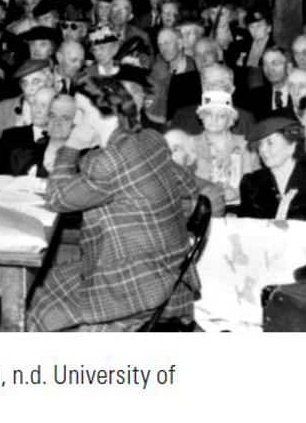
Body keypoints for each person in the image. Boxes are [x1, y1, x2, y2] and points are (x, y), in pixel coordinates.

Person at [28, 78, 201, 331]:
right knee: (47, 281)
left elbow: (56, 199)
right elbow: (188, 186)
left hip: (135, 286)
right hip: (171, 276)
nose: (76, 121)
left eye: (82, 112)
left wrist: (72, 146)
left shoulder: (108, 160)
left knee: (40, 312)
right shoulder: (150, 139)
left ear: (104, 114)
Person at [236, 118, 306, 221]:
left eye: (270, 143)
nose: (263, 150)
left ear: (291, 146)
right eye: (260, 144)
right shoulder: (251, 183)